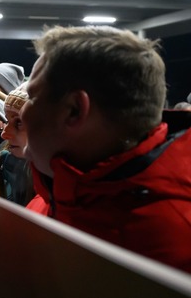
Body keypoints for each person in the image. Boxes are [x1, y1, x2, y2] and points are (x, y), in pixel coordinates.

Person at [21, 25, 191, 274]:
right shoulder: (53, 197)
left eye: (32, 97)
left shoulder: (174, 248)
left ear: (74, 110)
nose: (22, 114)